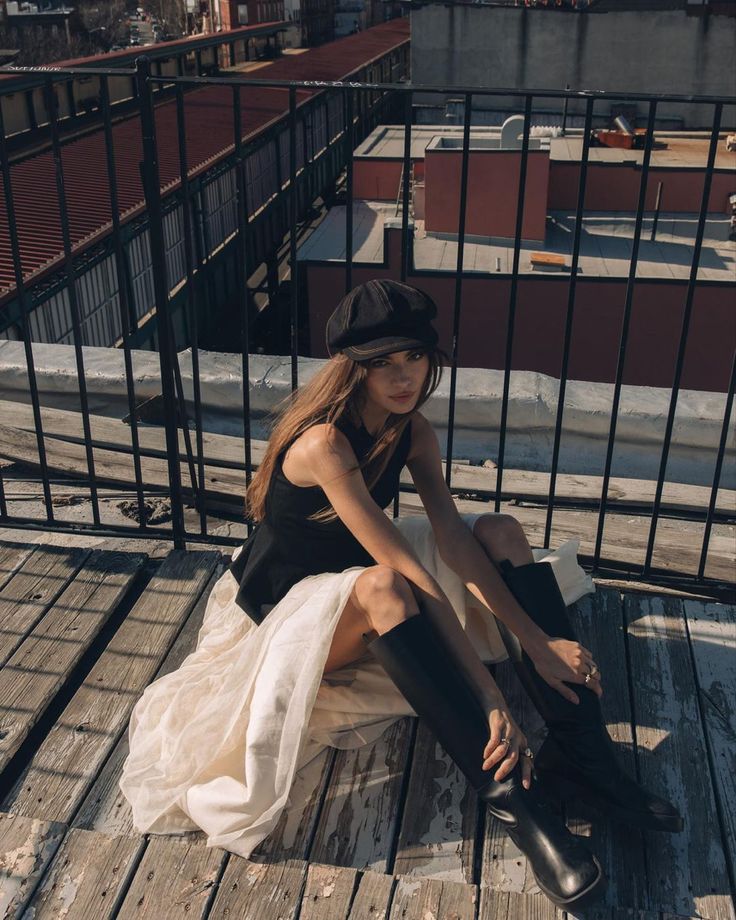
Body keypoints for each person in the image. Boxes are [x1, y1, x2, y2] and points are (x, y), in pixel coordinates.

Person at [120, 280, 681, 911]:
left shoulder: (411, 431)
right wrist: (490, 697)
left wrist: (541, 642)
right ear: (352, 370)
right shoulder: (325, 444)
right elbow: (406, 572)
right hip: (281, 620)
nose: (402, 377)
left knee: (499, 530)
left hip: (353, 579)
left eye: (412, 357)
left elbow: (453, 539)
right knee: (390, 586)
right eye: (381, 364)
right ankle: (517, 808)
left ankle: (585, 760)